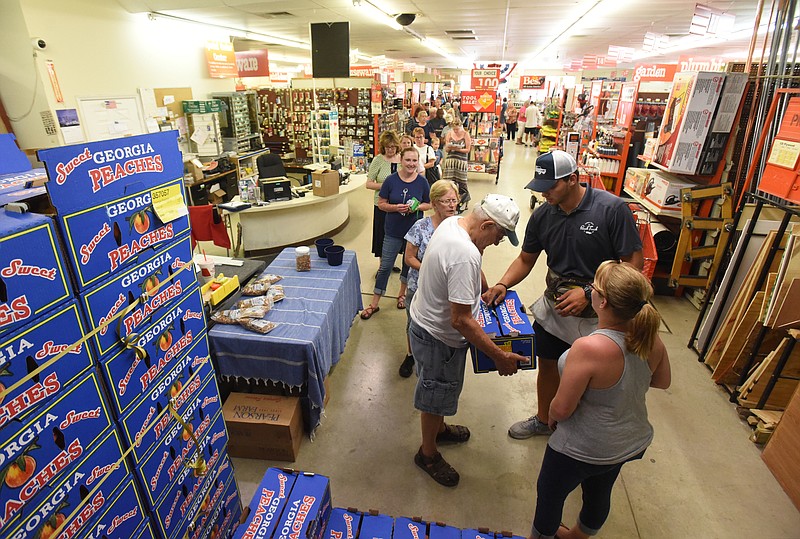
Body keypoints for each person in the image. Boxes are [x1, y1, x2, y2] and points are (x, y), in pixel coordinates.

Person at [482, 150, 643, 439]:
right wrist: (503, 284)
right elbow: (525, 259)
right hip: (556, 308)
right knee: (547, 364)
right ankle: (545, 420)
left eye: (550, 187)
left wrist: (589, 291)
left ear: (573, 179)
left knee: (596, 375)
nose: (544, 195)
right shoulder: (543, 215)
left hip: (601, 312)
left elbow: (633, 264)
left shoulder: (611, 209)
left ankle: (586, 431)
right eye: (539, 188)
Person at [530, 260, 671, 539]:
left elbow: (563, 407)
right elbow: (662, 381)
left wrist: (551, 417)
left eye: (592, 287)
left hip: (583, 445)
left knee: (550, 494)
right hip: (625, 442)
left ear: (602, 302)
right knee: (599, 493)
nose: (589, 290)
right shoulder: (650, 339)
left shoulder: (590, 348)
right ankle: (578, 535)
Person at [410, 194, 526, 487]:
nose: (499, 242)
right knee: (435, 394)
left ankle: (440, 429)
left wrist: (482, 285)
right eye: (500, 235)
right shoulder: (465, 254)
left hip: (425, 323)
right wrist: (499, 355)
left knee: (442, 390)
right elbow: (460, 320)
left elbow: (470, 256)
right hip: (439, 338)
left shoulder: (453, 223)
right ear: (487, 223)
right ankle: (428, 453)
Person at [398, 180, 459, 378]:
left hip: (447, 290)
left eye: (454, 200)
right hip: (419, 287)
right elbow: (408, 258)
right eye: (446, 201)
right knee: (413, 324)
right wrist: (431, 269)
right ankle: (411, 355)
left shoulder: (459, 226)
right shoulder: (421, 227)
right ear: (434, 203)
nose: (451, 205)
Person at [361, 147, 431, 320]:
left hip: (414, 233)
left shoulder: (422, 182)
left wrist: (416, 207)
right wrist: (395, 208)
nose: (411, 164)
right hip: (392, 230)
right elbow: (382, 203)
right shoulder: (391, 181)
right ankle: (374, 303)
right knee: (385, 267)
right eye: (408, 160)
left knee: (408, 265)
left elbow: (428, 204)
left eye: (414, 161)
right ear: (401, 160)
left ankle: (402, 295)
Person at [366, 131, 402, 259]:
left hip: (399, 204)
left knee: (396, 234)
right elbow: (369, 184)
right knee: (382, 234)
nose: (390, 149)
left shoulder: (402, 159)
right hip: (381, 204)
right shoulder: (378, 160)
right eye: (387, 147)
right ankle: (382, 265)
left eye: (392, 146)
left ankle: (390, 262)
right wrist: (386, 185)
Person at [442, 119, 472, 213]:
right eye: (454, 129)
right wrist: (450, 147)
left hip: (461, 161)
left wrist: (458, 149)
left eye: (457, 129)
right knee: (449, 183)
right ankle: (450, 203)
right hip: (450, 160)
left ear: (460, 127)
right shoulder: (449, 134)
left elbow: (467, 149)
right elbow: (446, 149)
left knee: (462, 183)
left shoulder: (466, 134)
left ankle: (463, 200)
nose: (455, 131)